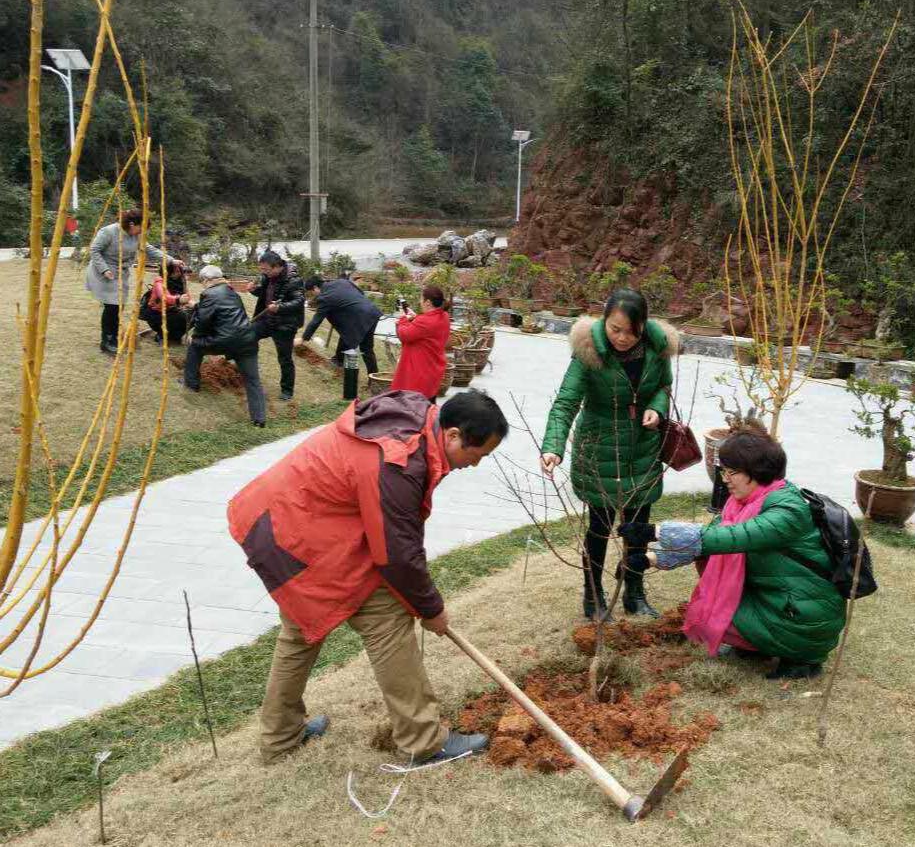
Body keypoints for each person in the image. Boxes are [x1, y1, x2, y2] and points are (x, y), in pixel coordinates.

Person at [227, 389, 509, 764]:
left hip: (284, 519)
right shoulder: (398, 461)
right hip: (296, 533)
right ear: (453, 435)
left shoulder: (419, 420)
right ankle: (424, 741)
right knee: (387, 619)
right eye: (478, 455)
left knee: (299, 633)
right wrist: (430, 609)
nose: (474, 464)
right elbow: (397, 554)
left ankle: (280, 737)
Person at [625, 432, 847, 680]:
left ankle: (802, 659)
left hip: (804, 615)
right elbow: (711, 538)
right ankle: (757, 646)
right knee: (712, 608)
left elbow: (734, 537)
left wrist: (655, 531)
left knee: (713, 615)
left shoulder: (787, 510)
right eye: (724, 471)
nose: (725, 479)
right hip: (777, 600)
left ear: (757, 471)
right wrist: (651, 559)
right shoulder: (742, 504)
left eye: (732, 473)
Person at [540, 288, 679, 620]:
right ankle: (593, 596)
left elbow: (663, 387)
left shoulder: (657, 348)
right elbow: (566, 402)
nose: (622, 338)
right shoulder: (589, 352)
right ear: (604, 321)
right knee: (599, 528)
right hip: (599, 448)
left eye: (631, 332)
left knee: (638, 526)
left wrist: (657, 409)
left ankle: (634, 591)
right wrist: (553, 446)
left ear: (643, 327)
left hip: (642, 448)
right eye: (615, 329)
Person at [85, 208, 184, 355]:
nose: (142, 232)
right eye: (141, 228)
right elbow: (94, 250)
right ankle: (107, 341)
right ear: (132, 224)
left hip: (121, 273)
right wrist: (104, 270)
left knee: (118, 307)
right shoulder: (109, 232)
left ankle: (113, 338)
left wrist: (171, 260)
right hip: (105, 272)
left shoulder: (136, 236)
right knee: (112, 306)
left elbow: (149, 249)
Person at [184, 265, 267, 428]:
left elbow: (203, 321)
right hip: (247, 340)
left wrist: (194, 337)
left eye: (202, 281)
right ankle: (259, 419)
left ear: (207, 280)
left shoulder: (208, 293)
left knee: (195, 346)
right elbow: (225, 311)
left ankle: (191, 384)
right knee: (252, 379)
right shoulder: (232, 292)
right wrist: (197, 306)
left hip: (225, 340)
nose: (202, 284)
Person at [248, 251, 305, 402]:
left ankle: (287, 390)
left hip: (285, 324)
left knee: (284, 358)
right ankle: (250, 371)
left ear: (277, 266)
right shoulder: (268, 276)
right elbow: (265, 293)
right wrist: (254, 290)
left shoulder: (293, 280)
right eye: (262, 269)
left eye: (266, 269)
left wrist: (280, 307)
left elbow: (299, 301)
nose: (263, 272)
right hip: (267, 319)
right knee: (248, 335)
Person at [301, 274, 383, 374]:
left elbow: (316, 321)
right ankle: (373, 377)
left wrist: (303, 338)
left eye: (311, 293)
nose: (313, 296)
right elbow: (360, 293)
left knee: (362, 346)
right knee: (366, 348)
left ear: (315, 288)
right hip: (372, 312)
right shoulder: (342, 282)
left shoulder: (324, 297)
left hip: (359, 317)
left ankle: (340, 362)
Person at [391, 284, 451, 400]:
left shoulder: (425, 321)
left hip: (419, 371)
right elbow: (425, 330)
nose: (420, 302)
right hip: (433, 369)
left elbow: (404, 335)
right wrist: (415, 318)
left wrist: (402, 318)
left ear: (428, 302)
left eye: (421, 299)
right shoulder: (444, 316)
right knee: (429, 402)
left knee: (414, 404)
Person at [139, 262, 192, 344]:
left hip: (172, 311)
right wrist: (178, 300)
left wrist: (195, 305)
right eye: (176, 271)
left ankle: (174, 336)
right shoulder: (159, 282)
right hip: (157, 314)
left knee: (193, 315)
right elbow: (164, 297)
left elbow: (188, 298)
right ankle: (161, 335)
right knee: (181, 317)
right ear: (168, 271)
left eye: (179, 271)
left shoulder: (181, 283)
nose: (178, 274)